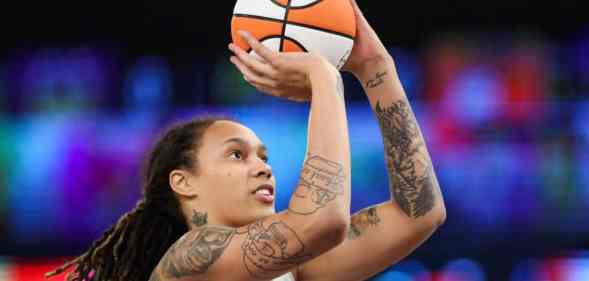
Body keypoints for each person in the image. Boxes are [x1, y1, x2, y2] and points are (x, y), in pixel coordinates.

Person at [47, 1, 445, 280]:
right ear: (184, 182)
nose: (262, 167)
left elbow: (419, 215)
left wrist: (377, 67)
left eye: (262, 155)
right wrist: (324, 81)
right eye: (237, 155)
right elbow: (322, 221)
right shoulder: (189, 259)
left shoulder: (292, 270)